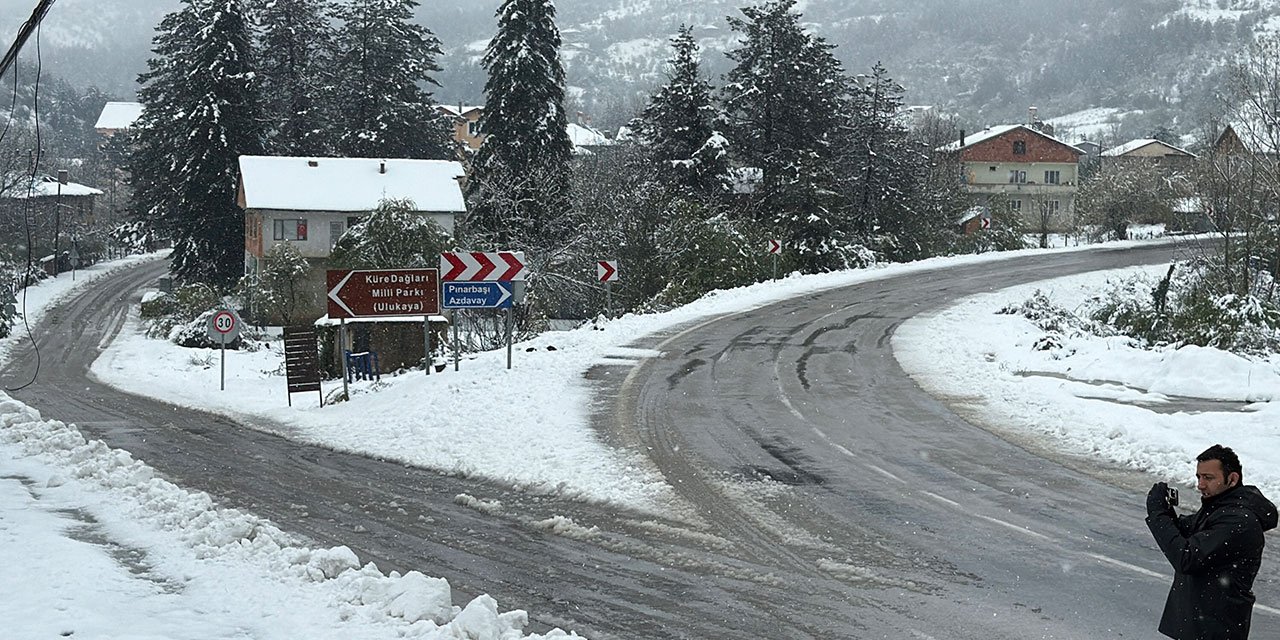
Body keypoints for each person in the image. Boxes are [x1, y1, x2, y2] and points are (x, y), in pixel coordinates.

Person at [1146, 444, 1277, 639]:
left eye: (1208, 478)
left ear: (1232, 479)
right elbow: (1186, 532)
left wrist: (1158, 514)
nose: (1200, 484)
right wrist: (1165, 511)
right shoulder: (1219, 508)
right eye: (1198, 477)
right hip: (1200, 626)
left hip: (1215, 629)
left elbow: (1186, 557)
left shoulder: (1238, 520)